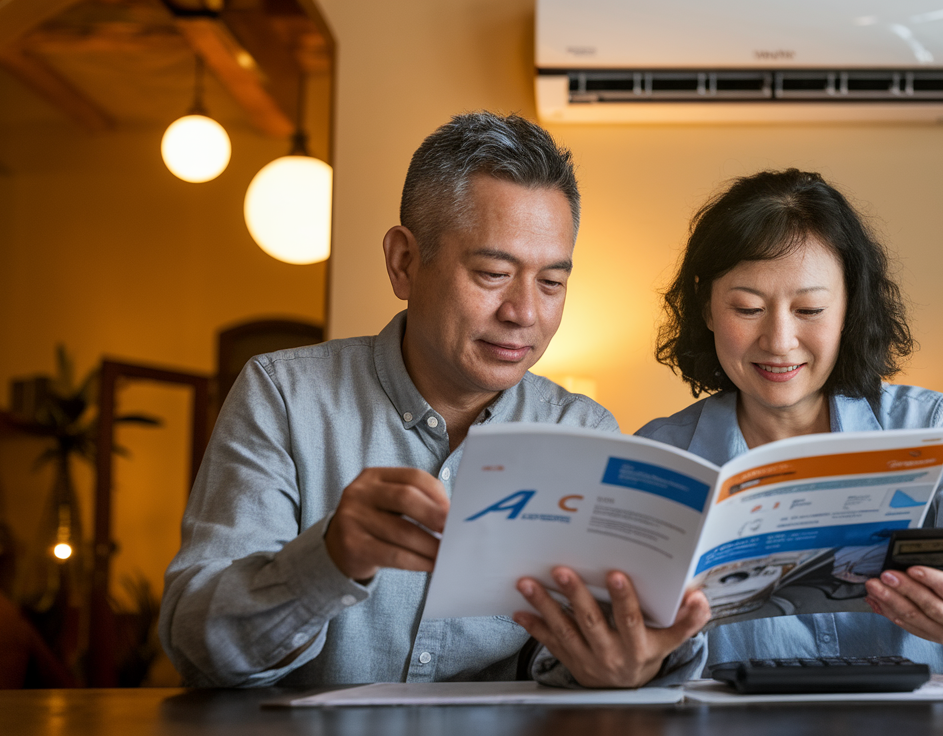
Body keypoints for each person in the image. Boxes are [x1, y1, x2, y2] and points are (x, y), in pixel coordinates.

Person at [160, 112, 708, 688]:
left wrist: (627, 663)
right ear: (403, 263)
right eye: (494, 272)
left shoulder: (583, 431)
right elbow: (196, 650)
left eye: (551, 282)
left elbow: (581, 656)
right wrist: (327, 562)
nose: (524, 314)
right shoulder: (284, 397)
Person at [636, 169, 943, 673]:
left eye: (810, 308)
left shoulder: (930, 426)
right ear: (707, 308)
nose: (779, 340)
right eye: (747, 307)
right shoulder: (662, 459)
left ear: (849, 310)